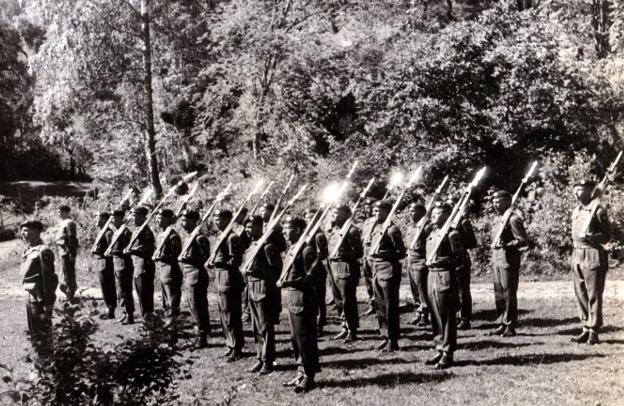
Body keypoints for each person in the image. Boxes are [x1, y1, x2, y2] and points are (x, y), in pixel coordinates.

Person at [279, 215, 321, 393]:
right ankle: (300, 371)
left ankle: (309, 376)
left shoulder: (306, 250)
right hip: (292, 298)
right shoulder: (293, 249)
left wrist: (289, 284)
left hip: (303, 299)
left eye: (287, 228)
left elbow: (312, 278)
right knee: (295, 338)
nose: (283, 231)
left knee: (305, 338)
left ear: (297, 230)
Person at [569, 180, 611, 345]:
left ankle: (594, 330)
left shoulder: (598, 211)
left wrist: (592, 237)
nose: (576, 193)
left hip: (592, 253)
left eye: (580, 190)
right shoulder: (576, 211)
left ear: (589, 191)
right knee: (580, 293)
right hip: (577, 253)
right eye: (575, 190)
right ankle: (585, 327)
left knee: (594, 294)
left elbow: (607, 236)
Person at [424, 202, 464, 369]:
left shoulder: (452, 234)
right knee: (435, 315)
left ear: (447, 215)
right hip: (431, 275)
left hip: (444, 276)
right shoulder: (433, 232)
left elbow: (460, 259)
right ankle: (439, 347)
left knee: (446, 316)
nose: (434, 216)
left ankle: (448, 353)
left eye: (438, 213)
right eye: (433, 213)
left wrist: (441, 260)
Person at [243, 214, 281, 374]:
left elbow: (277, 270)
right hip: (252, 287)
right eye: (246, 227)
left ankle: (268, 360)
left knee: (265, 327)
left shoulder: (267, 246)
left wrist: (258, 271)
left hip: (264, 289)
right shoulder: (252, 245)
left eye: (251, 227)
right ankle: (260, 357)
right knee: (256, 327)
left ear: (259, 227)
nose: (247, 230)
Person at [490, 190, 531, 337]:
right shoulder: (497, 219)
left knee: (509, 293)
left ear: (507, 201)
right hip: (497, 258)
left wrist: (509, 244)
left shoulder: (513, 219)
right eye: (494, 201)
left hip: (509, 259)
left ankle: (510, 325)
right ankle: (502, 321)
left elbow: (523, 241)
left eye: (498, 201)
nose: (495, 204)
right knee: (498, 293)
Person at [368, 200, 406, 352]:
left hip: (389, 270)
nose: (375, 213)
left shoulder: (392, 230)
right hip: (377, 270)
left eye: (379, 211)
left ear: (387, 212)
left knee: (390, 306)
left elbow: (401, 252)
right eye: (374, 211)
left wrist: (382, 253)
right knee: (380, 306)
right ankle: (384, 335)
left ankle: (393, 339)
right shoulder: (377, 228)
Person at [209, 209, 245, 361]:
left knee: (231, 314)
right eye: (216, 219)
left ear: (228, 220)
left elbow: (236, 260)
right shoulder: (219, 236)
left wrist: (219, 262)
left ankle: (237, 347)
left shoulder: (232, 238)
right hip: (219, 276)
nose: (217, 222)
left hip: (229, 278)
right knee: (223, 314)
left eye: (220, 219)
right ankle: (230, 344)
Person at [328, 204, 363, 342]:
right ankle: (344, 326)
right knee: (338, 300)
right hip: (333, 267)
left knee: (348, 300)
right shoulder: (334, 230)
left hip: (346, 268)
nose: (333, 215)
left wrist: (344, 254)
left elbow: (359, 252)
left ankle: (352, 330)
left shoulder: (352, 230)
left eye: (337, 213)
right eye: (333, 212)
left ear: (346, 214)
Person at [179, 210, 211, 349]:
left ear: (193, 221)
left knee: (198, 306)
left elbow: (206, 258)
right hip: (188, 274)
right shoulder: (188, 237)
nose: (182, 223)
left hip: (196, 274)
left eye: (185, 220)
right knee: (192, 305)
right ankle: (198, 333)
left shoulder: (199, 238)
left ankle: (202, 336)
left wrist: (189, 259)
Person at [20, 220, 58, 335]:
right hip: (30, 294)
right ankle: (40, 351)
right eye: (22, 231)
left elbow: (49, 279)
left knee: (42, 329)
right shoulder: (29, 250)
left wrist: (48, 302)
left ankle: (47, 352)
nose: (23, 234)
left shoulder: (43, 250)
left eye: (26, 231)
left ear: (36, 231)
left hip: (40, 296)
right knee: (34, 328)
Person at [446, 195, 478, 330]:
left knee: (463, 290)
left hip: (460, 259)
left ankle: (465, 318)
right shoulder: (444, 224)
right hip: (447, 261)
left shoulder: (463, 222)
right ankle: (454, 316)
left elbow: (472, 242)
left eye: (452, 206)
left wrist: (457, 243)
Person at [126, 206, 156, 323]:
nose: (132, 219)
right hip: (137, 265)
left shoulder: (146, 231)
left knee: (145, 294)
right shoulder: (138, 230)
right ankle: (146, 319)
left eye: (135, 216)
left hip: (144, 265)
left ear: (142, 217)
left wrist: (133, 251)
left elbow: (148, 249)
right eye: (132, 215)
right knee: (140, 293)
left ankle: (148, 319)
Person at [153, 208, 183, 327]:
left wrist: (161, 256)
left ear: (167, 219)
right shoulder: (162, 234)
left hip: (171, 270)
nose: (157, 220)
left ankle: (173, 324)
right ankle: (168, 322)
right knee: (165, 301)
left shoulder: (173, 236)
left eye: (160, 218)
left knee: (172, 301)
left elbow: (176, 254)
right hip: (163, 269)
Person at [259, 203, 286, 324]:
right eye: (260, 211)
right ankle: (268, 311)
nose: (261, 213)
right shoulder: (260, 225)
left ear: (271, 212)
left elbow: (282, 246)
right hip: (263, 261)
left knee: (274, 287)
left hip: (274, 260)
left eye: (264, 211)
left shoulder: (276, 227)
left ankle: (275, 313)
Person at [304, 207, 329, 336]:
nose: (309, 221)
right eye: (308, 218)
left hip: (317, 270)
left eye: (312, 218)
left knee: (318, 299)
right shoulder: (306, 233)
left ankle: (320, 326)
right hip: (307, 270)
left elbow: (323, 254)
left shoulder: (318, 235)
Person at [405, 202, 430, 326]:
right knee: (414, 289)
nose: (411, 212)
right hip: (411, 259)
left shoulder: (427, 227)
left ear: (422, 211)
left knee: (422, 290)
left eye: (414, 210)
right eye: (409, 210)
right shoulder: (411, 227)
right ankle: (418, 312)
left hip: (421, 260)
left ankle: (425, 314)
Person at [108, 209, 135, 325]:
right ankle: (124, 312)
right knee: (120, 290)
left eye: (114, 217)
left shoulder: (126, 232)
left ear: (120, 218)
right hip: (117, 263)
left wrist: (115, 251)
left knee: (125, 290)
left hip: (124, 264)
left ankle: (130, 314)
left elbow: (128, 249)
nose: (112, 220)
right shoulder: (116, 232)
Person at [92, 212, 116, 319]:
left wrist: (100, 251)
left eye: (98, 217)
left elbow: (112, 249)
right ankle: (108, 307)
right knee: (104, 285)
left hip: (105, 262)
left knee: (108, 285)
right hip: (100, 261)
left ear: (105, 219)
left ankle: (110, 309)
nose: (96, 219)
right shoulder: (101, 232)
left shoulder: (108, 233)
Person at [55, 205, 78, 300]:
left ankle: (70, 292)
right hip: (62, 251)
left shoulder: (69, 223)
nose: (58, 213)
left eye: (59, 211)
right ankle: (68, 291)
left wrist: (72, 253)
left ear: (65, 212)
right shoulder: (63, 223)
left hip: (67, 252)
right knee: (65, 272)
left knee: (68, 272)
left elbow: (72, 238)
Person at [359, 197, 378, 316]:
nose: (366, 208)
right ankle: (372, 304)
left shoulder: (379, 221)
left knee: (376, 280)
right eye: (365, 206)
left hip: (373, 251)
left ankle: (379, 305)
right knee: (368, 280)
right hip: (365, 252)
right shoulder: (366, 222)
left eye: (369, 206)